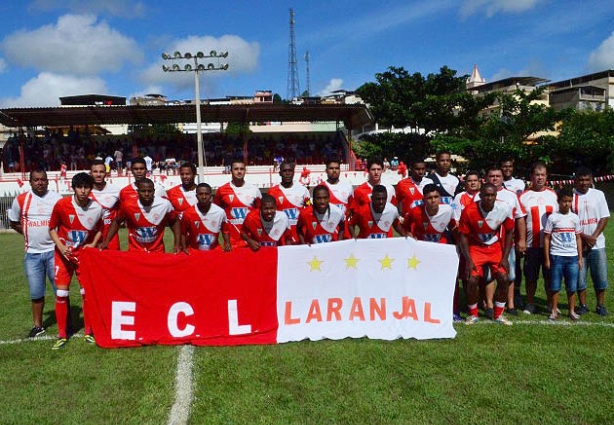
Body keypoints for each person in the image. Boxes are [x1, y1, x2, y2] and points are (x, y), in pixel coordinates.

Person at [48, 172, 104, 349]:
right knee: (62, 294)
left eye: (86, 187)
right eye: (80, 187)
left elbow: (101, 229)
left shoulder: (97, 208)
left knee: (86, 294)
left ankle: (89, 332)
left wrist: (93, 244)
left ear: (91, 188)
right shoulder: (62, 205)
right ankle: (62, 335)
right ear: (73, 188)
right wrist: (61, 246)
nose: (83, 190)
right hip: (63, 256)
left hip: (83, 257)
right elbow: (51, 228)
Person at [8, 169, 62, 338]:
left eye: (43, 180)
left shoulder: (57, 199)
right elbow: (13, 222)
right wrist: (28, 233)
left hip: (54, 252)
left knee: (60, 290)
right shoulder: (21, 200)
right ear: (30, 182)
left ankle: (65, 324)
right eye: (36, 180)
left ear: (48, 181)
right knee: (36, 292)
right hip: (32, 255)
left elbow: (64, 221)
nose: (40, 183)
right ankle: (38, 326)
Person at [459, 183, 514, 325]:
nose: (490, 198)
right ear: (480, 195)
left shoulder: (504, 208)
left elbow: (509, 232)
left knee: (503, 278)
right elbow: (463, 236)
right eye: (486, 195)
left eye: (492, 195)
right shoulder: (469, 210)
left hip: (495, 248)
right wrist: (468, 259)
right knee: (472, 280)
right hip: (476, 248)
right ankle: (473, 314)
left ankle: (498, 315)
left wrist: (505, 257)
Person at [404, 184, 460, 321]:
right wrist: (410, 237)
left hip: (442, 249)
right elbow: (404, 227)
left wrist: (459, 245)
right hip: (422, 251)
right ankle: (421, 309)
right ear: (424, 199)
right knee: (422, 280)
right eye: (429, 198)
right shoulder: (415, 211)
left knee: (450, 279)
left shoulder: (447, 210)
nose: (433, 200)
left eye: (436, 197)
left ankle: (453, 310)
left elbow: (454, 228)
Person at [478, 165, 527, 317]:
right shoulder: (479, 196)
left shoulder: (511, 196)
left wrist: (522, 240)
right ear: (486, 178)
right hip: (488, 243)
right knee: (489, 275)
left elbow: (519, 218)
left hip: (507, 243)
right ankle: (490, 305)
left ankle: (510, 304)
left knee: (510, 275)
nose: (495, 179)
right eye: (492, 176)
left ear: (502, 178)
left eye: (498, 176)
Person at [518, 162, 558, 314]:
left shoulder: (553, 195)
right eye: (537, 175)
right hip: (531, 244)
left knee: (550, 276)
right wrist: (521, 241)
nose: (540, 178)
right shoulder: (524, 196)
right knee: (531, 276)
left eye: (543, 175)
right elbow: (519, 220)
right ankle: (530, 303)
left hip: (552, 245)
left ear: (546, 177)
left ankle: (549, 303)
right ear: (531, 177)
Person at [102, 178, 181, 253]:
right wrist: (107, 241)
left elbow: (175, 221)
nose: (146, 194)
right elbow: (117, 220)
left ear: (154, 191)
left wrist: (177, 244)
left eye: (149, 191)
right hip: (135, 252)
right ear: (137, 191)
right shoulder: (128, 205)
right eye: (143, 191)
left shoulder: (164, 204)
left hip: (157, 252)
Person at [572, 167, 609, 316]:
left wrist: (593, 237)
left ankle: (600, 305)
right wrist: (585, 238)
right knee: (580, 278)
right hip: (578, 245)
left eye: (587, 180)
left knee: (600, 277)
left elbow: (604, 217)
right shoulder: (572, 196)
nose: (584, 183)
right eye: (580, 180)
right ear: (575, 181)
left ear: (591, 180)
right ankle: (583, 305)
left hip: (597, 244)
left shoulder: (599, 194)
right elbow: (570, 222)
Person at [543, 187, 583, 321]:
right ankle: (553, 311)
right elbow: (547, 238)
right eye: (564, 201)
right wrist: (548, 258)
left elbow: (578, 238)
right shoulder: (553, 218)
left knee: (572, 286)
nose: (567, 204)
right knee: (555, 286)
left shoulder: (575, 218)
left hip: (572, 257)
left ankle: (571, 311)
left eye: (569, 201)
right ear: (559, 202)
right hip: (557, 256)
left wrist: (579, 258)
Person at [213, 158, 262, 247]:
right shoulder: (222, 190)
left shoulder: (254, 190)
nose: (239, 172)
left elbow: (260, 214)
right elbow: (215, 213)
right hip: (231, 243)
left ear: (245, 171)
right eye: (236, 169)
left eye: (241, 169)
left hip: (252, 241)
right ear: (231, 171)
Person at [268, 161, 311, 243]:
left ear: (293, 172)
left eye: (290, 171)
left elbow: (310, 211)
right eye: (284, 171)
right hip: (281, 238)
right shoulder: (272, 192)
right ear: (280, 173)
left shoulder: (303, 190)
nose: (287, 173)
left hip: (301, 238)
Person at [181, 183, 231, 252]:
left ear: (211, 196)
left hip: (214, 252)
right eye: (200, 194)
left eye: (206, 194)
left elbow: (225, 231)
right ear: (196, 196)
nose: (204, 196)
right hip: (194, 252)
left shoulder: (220, 212)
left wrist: (227, 243)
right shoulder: (188, 213)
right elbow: (183, 233)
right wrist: (184, 248)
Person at [90, 159, 121, 250]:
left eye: (101, 172)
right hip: (91, 239)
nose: (98, 175)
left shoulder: (115, 190)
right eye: (95, 172)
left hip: (112, 239)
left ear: (106, 173)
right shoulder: (85, 192)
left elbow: (121, 212)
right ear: (90, 173)